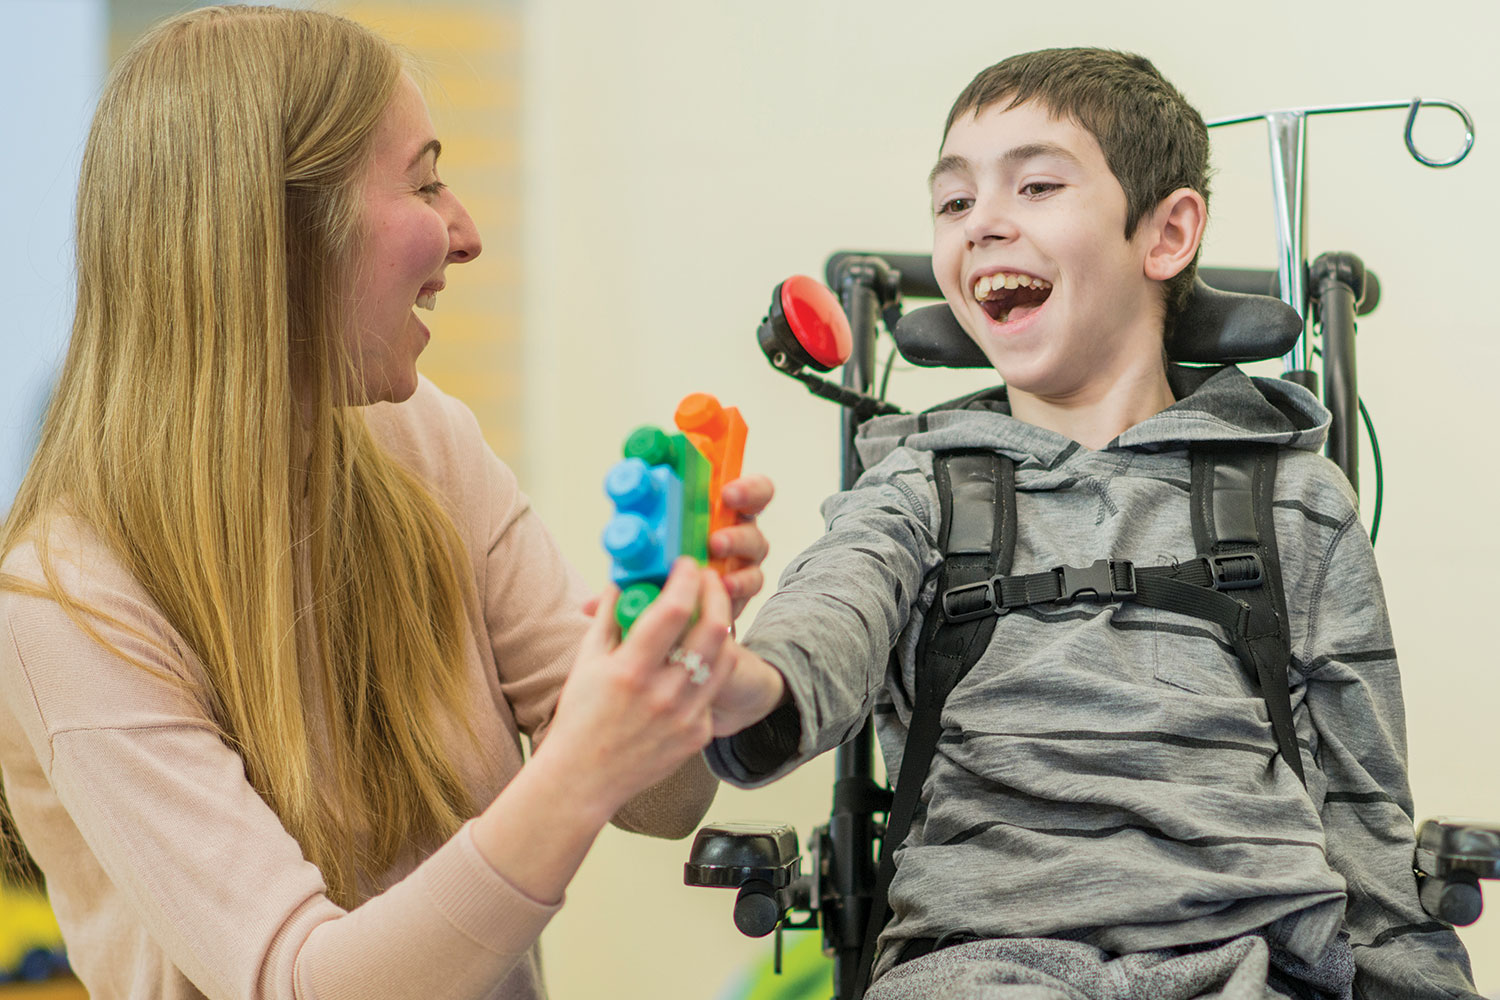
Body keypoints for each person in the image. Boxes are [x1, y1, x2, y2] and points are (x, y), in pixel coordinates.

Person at [0, 6, 772, 999]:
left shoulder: (427, 444)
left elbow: (664, 799)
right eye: (425, 181)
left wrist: (674, 636)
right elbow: (301, 982)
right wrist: (572, 773)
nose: (468, 233)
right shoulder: (66, 605)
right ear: (279, 234)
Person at [703, 49, 1480, 1000]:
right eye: (953, 204)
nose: (983, 222)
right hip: (979, 961)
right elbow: (826, 622)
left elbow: (1366, 809)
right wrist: (734, 681)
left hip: (1256, 956)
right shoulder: (916, 489)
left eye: (1035, 185)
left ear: (1166, 233)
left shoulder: (1292, 500)